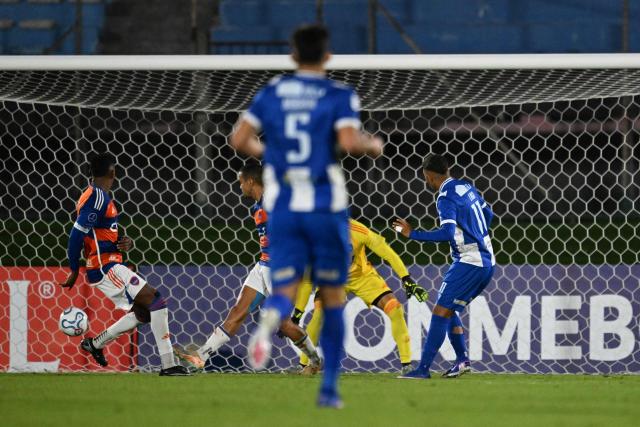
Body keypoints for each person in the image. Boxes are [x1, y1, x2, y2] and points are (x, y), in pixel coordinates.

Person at [229, 24, 383, 407]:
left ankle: (269, 321)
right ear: (327, 56)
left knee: (283, 290)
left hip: (282, 207)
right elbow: (349, 142)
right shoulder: (338, 94)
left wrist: (273, 155)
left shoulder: (273, 92)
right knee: (332, 296)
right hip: (323, 206)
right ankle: (329, 388)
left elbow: (238, 140)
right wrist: (372, 145)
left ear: (293, 55)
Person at [176, 163, 321, 372]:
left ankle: (314, 360)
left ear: (251, 181)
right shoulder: (258, 205)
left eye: (241, 182)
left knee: (284, 324)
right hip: (263, 264)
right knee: (237, 311)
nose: (240, 187)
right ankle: (201, 356)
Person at [59, 153, 189, 376]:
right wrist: (73, 268)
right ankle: (169, 365)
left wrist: (122, 243)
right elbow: (76, 234)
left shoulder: (97, 197)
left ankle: (96, 344)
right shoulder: (97, 197)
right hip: (104, 267)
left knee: (145, 313)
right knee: (156, 301)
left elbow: (98, 234)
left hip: (110, 262)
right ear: (112, 173)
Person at [393, 154, 495, 379]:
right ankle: (462, 360)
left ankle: (423, 370)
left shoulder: (445, 197)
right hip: (485, 260)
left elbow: (448, 233)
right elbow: (489, 214)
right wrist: (477, 234)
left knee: (440, 312)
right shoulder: (466, 187)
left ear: (427, 176)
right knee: (449, 309)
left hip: (470, 262)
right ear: (447, 169)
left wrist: (412, 234)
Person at [292, 218, 428, 375]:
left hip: (362, 277)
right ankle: (303, 365)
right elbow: (307, 281)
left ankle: (407, 365)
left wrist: (406, 278)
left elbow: (388, 253)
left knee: (395, 308)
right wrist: (298, 312)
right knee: (319, 314)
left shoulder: (358, 230)